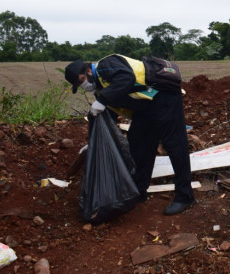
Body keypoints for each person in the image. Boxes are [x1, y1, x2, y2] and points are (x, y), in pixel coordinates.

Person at [64, 55, 195, 216]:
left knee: (174, 145)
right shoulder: (101, 90)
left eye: (81, 80)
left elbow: (126, 78)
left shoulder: (105, 65)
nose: (83, 85)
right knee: (138, 144)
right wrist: (93, 140)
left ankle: (185, 196)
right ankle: (139, 191)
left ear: (87, 70)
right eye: (79, 84)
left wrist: (103, 100)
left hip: (164, 97)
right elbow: (106, 117)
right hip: (145, 107)